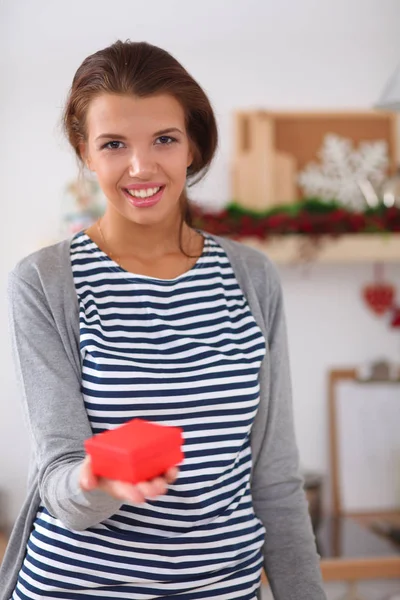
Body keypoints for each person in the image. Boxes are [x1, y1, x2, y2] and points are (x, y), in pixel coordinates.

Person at [0, 40, 326, 600]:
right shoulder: (46, 283)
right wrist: (96, 478)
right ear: (84, 151)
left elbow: (273, 480)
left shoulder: (251, 277)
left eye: (164, 139)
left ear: (193, 145)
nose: (141, 166)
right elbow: (59, 479)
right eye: (113, 144)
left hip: (223, 588)